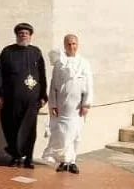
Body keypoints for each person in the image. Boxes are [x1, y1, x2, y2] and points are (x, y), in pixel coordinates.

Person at [0, 22, 48, 169]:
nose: (23, 35)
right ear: (16, 35)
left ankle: (28, 158)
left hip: (32, 100)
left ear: (30, 36)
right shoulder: (7, 52)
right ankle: (15, 157)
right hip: (11, 99)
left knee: (30, 130)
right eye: (21, 33)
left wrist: (43, 95)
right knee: (11, 127)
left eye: (26, 33)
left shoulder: (36, 52)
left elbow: (42, 74)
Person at [42, 34, 94, 175]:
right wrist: (52, 104)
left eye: (74, 44)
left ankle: (72, 161)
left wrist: (86, 103)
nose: (71, 46)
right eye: (69, 44)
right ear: (64, 45)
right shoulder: (59, 63)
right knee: (62, 133)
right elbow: (53, 86)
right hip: (62, 105)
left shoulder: (84, 63)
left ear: (77, 45)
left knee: (76, 134)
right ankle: (63, 161)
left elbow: (89, 84)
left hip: (77, 106)